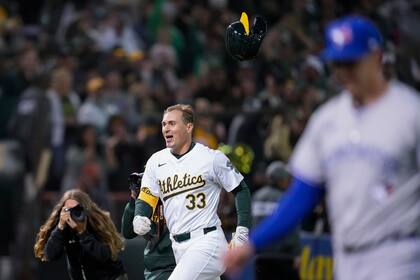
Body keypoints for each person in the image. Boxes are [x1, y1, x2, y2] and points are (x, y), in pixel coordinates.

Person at [225, 15, 420, 280]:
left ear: (376, 57)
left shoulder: (410, 113)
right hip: (346, 257)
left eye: (352, 63)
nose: (344, 72)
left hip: (399, 253)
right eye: (338, 64)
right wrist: (253, 243)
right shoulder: (327, 120)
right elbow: (302, 194)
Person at [132, 104, 252, 279]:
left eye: (172, 123)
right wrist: (139, 215)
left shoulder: (211, 158)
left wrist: (242, 230)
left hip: (207, 241)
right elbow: (147, 195)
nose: (166, 128)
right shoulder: (156, 161)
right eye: (164, 124)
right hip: (178, 246)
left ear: (189, 127)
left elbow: (241, 190)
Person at [34, 189, 126, 280]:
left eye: (77, 209)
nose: (73, 213)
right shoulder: (63, 227)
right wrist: (60, 227)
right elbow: (50, 255)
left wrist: (83, 233)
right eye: (68, 210)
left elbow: (104, 255)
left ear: (85, 210)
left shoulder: (97, 223)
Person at [121, 172, 176, 280]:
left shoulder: (176, 195)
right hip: (156, 264)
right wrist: (134, 198)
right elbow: (128, 233)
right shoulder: (144, 204)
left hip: (178, 258)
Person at [252, 161, 300, 280]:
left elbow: (250, 224)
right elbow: (291, 228)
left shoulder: (256, 196)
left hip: (261, 257)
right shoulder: (286, 199)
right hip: (283, 257)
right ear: (282, 179)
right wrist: (296, 253)